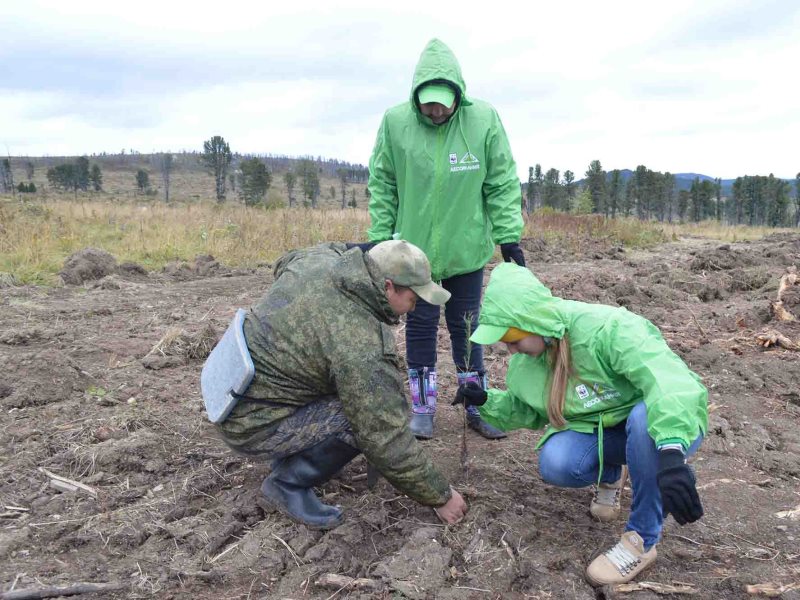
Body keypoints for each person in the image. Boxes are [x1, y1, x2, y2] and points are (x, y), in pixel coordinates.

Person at [453, 263, 707, 586]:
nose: (509, 349)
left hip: (666, 426)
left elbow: (668, 381)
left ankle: (642, 539)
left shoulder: (607, 330)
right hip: (609, 433)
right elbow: (527, 409)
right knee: (557, 462)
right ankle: (613, 475)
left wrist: (670, 454)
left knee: (643, 421)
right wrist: (486, 401)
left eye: (512, 338)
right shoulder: (527, 363)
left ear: (533, 321)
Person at [210, 240, 467, 529]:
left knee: (347, 387)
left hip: (233, 390)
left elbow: (288, 258)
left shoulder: (318, 259)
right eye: (413, 296)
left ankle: (293, 451)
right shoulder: (360, 343)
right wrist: (441, 496)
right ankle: (287, 483)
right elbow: (384, 436)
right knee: (359, 415)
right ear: (387, 286)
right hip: (250, 423)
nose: (416, 305)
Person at [365, 38, 525, 441]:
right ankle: (422, 409)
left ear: (458, 95)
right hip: (413, 257)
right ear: (416, 95)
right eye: (427, 102)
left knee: (468, 329)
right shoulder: (395, 122)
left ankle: (476, 404)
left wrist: (508, 237)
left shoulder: (483, 121)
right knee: (419, 329)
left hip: (466, 251)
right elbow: (383, 184)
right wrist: (379, 242)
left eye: (442, 102)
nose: (435, 110)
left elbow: (501, 181)